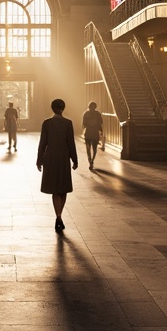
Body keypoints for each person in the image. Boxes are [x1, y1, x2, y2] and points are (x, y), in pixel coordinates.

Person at [37, 99, 78, 233]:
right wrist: (74, 159)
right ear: (63, 108)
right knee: (63, 188)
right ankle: (60, 215)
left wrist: (39, 160)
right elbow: (71, 143)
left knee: (55, 189)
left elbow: (42, 143)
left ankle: (58, 215)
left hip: (51, 157)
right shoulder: (68, 123)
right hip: (63, 157)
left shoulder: (47, 123)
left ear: (52, 108)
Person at [81, 101, 103, 170]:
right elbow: (100, 123)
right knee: (94, 148)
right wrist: (101, 131)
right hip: (95, 132)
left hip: (88, 132)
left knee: (88, 148)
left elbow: (84, 124)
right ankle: (92, 161)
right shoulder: (98, 114)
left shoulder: (86, 114)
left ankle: (90, 161)